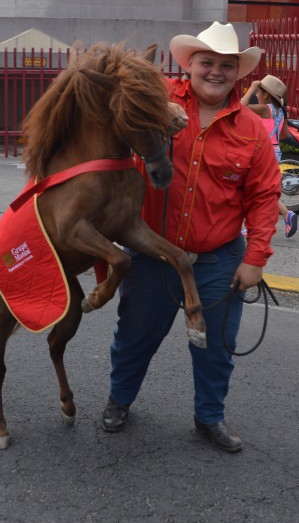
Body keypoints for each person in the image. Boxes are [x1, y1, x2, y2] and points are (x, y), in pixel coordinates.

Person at [102, 22, 282, 452]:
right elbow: (109, 94)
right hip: (153, 254)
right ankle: (119, 400)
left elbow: (264, 197)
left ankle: (209, 417)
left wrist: (255, 259)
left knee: (216, 347)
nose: (216, 72)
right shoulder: (156, 100)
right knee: (135, 336)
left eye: (226, 65)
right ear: (190, 65)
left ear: (237, 73)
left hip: (218, 260)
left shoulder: (251, 130)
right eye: (207, 62)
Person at [242, 74, 299, 238]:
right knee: (262, 191)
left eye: (258, 93)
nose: (256, 95)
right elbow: (284, 134)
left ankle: (282, 216)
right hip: (275, 152)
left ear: (266, 95)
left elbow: (240, 107)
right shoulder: (280, 112)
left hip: (263, 153)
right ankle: (285, 215)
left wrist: (251, 87)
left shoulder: (265, 109)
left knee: (254, 191)